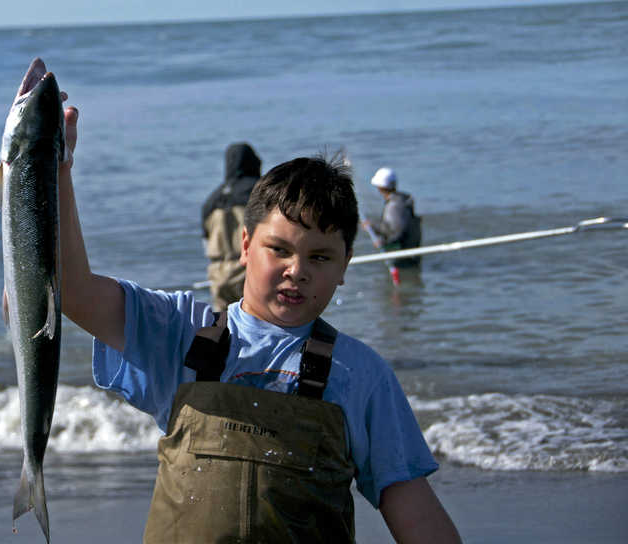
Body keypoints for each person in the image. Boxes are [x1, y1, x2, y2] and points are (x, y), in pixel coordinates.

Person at [59, 105, 460, 543]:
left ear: (346, 264)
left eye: (320, 257)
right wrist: (55, 169)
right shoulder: (178, 331)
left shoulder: (362, 375)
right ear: (245, 245)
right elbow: (71, 290)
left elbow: (413, 509)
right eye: (280, 250)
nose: (297, 270)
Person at [201, 142, 261, 311]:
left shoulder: (212, 200)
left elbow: (205, 240)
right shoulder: (259, 191)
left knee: (223, 329)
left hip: (218, 273)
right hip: (247, 270)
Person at [363, 167, 422, 268]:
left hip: (403, 256)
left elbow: (397, 232)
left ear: (380, 187)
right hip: (412, 252)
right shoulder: (402, 200)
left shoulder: (394, 205)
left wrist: (382, 241)